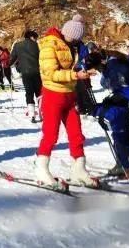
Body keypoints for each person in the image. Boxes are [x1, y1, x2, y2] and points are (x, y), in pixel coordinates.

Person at [34, 24, 97, 187]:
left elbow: (71, 67)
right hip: (53, 94)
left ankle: (79, 169)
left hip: (69, 94)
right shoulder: (49, 44)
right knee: (51, 134)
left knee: (76, 132)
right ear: (68, 33)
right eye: (75, 37)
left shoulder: (72, 46)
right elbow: (50, 73)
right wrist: (75, 75)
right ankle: (41, 169)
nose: (76, 41)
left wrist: (84, 72)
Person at [94, 52, 129, 179]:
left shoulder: (114, 66)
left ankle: (124, 164)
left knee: (123, 131)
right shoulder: (123, 59)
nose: (98, 70)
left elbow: (113, 84)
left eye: (98, 68)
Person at [11, 30, 42, 122]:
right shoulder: (37, 45)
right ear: (32, 37)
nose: (36, 40)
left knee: (29, 92)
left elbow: (11, 60)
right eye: (35, 38)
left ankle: (32, 114)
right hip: (36, 72)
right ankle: (42, 113)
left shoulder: (17, 45)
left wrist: (15, 66)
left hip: (25, 73)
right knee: (39, 92)